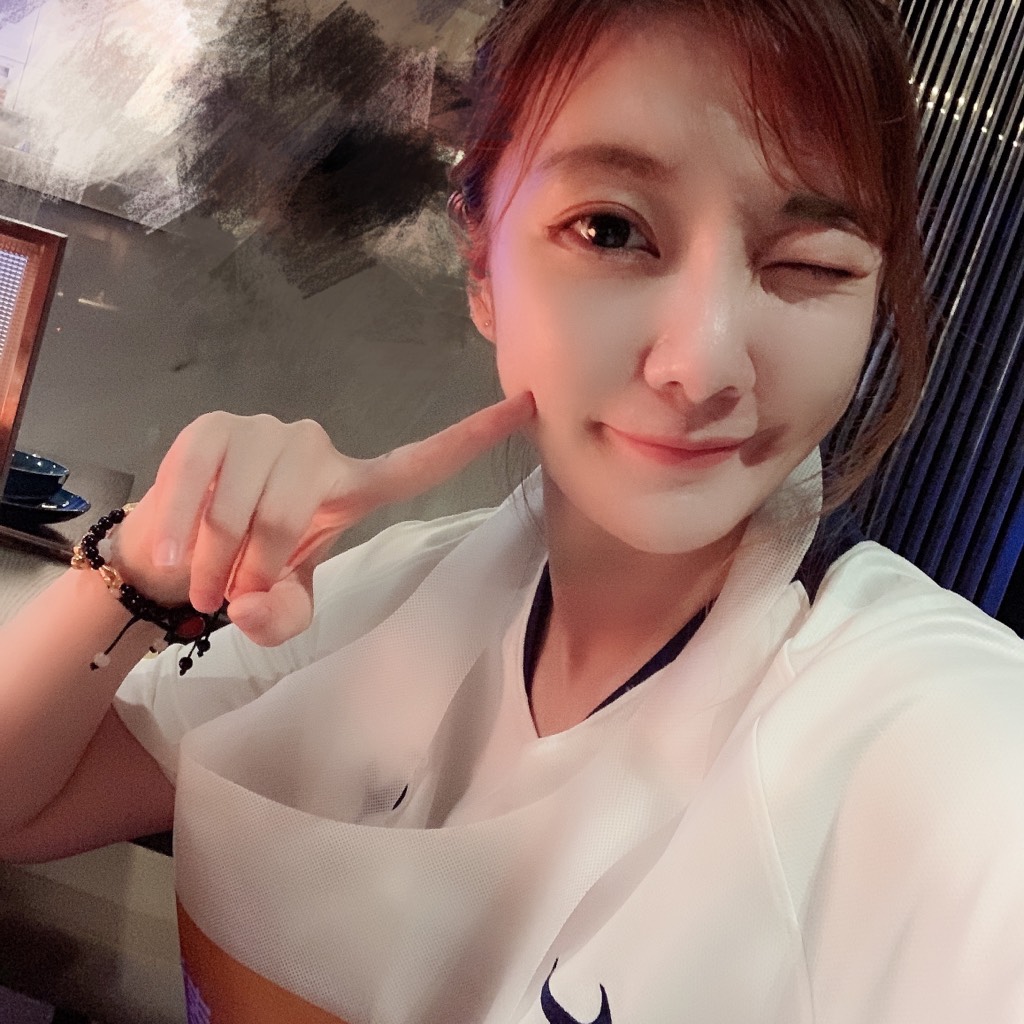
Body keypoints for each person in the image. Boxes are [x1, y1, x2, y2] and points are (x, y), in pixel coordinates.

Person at [2, 0, 1023, 1020]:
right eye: (610, 230)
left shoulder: (936, 744)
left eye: (811, 264)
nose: (705, 362)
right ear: (482, 262)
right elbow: (21, 803)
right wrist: (141, 567)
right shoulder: (389, 602)